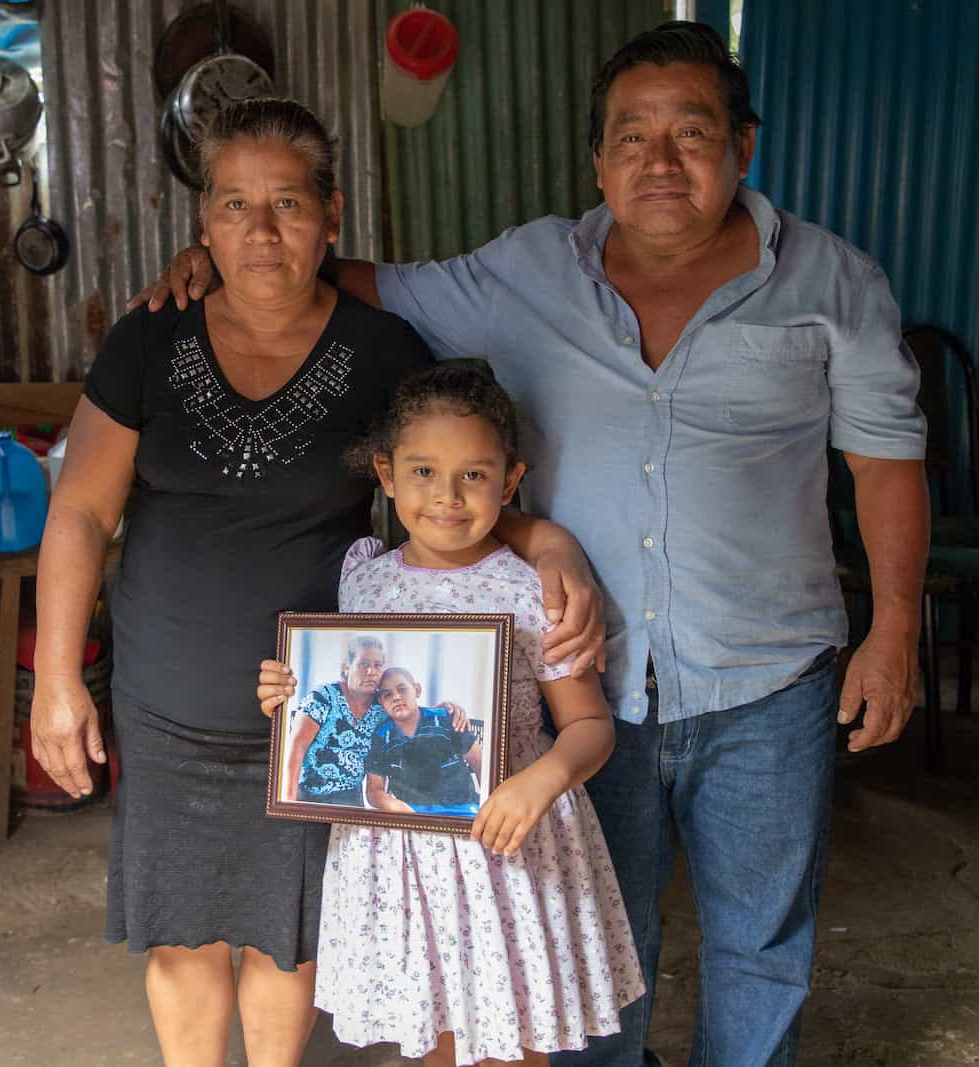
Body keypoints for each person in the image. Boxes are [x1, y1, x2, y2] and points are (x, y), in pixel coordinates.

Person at [148, 23, 931, 1066]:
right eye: (631, 137)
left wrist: (894, 632)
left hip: (765, 680)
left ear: (742, 145)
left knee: (761, 941)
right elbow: (363, 283)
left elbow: (885, 463)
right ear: (596, 160)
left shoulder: (835, 285)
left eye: (689, 133)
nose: (659, 161)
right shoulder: (526, 267)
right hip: (587, 672)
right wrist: (237, 257)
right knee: (595, 940)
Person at [31, 98, 606, 1067]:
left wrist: (544, 538)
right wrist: (54, 676)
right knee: (179, 931)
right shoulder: (148, 343)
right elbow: (81, 512)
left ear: (330, 215)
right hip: (167, 700)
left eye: (287, 203)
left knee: (283, 928)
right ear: (204, 224)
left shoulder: (382, 351)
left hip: (317, 718)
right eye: (233, 204)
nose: (260, 230)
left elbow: (445, 475)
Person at [258, 364, 643, 1066]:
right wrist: (288, 689)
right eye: (425, 470)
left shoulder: (532, 590)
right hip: (396, 855)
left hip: (506, 845)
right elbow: (349, 704)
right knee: (429, 1028)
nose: (447, 496)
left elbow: (591, 726)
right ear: (387, 472)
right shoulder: (362, 578)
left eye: (473, 475)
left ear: (511, 476)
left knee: (510, 1034)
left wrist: (542, 779)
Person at [363, 666, 483, 816]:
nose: (396, 697)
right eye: (387, 695)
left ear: (417, 690)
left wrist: (489, 803)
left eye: (402, 689)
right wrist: (405, 811)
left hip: (464, 811)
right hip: (412, 814)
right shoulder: (381, 737)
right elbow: (374, 791)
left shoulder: (446, 719)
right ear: (381, 701)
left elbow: (480, 763)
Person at [286, 634, 388, 805]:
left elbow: (411, 712)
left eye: (377, 665)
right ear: (347, 667)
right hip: (308, 796)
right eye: (363, 664)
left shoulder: (382, 708)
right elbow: (297, 746)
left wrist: (445, 708)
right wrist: (288, 802)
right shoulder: (323, 697)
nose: (371, 672)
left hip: (350, 800)